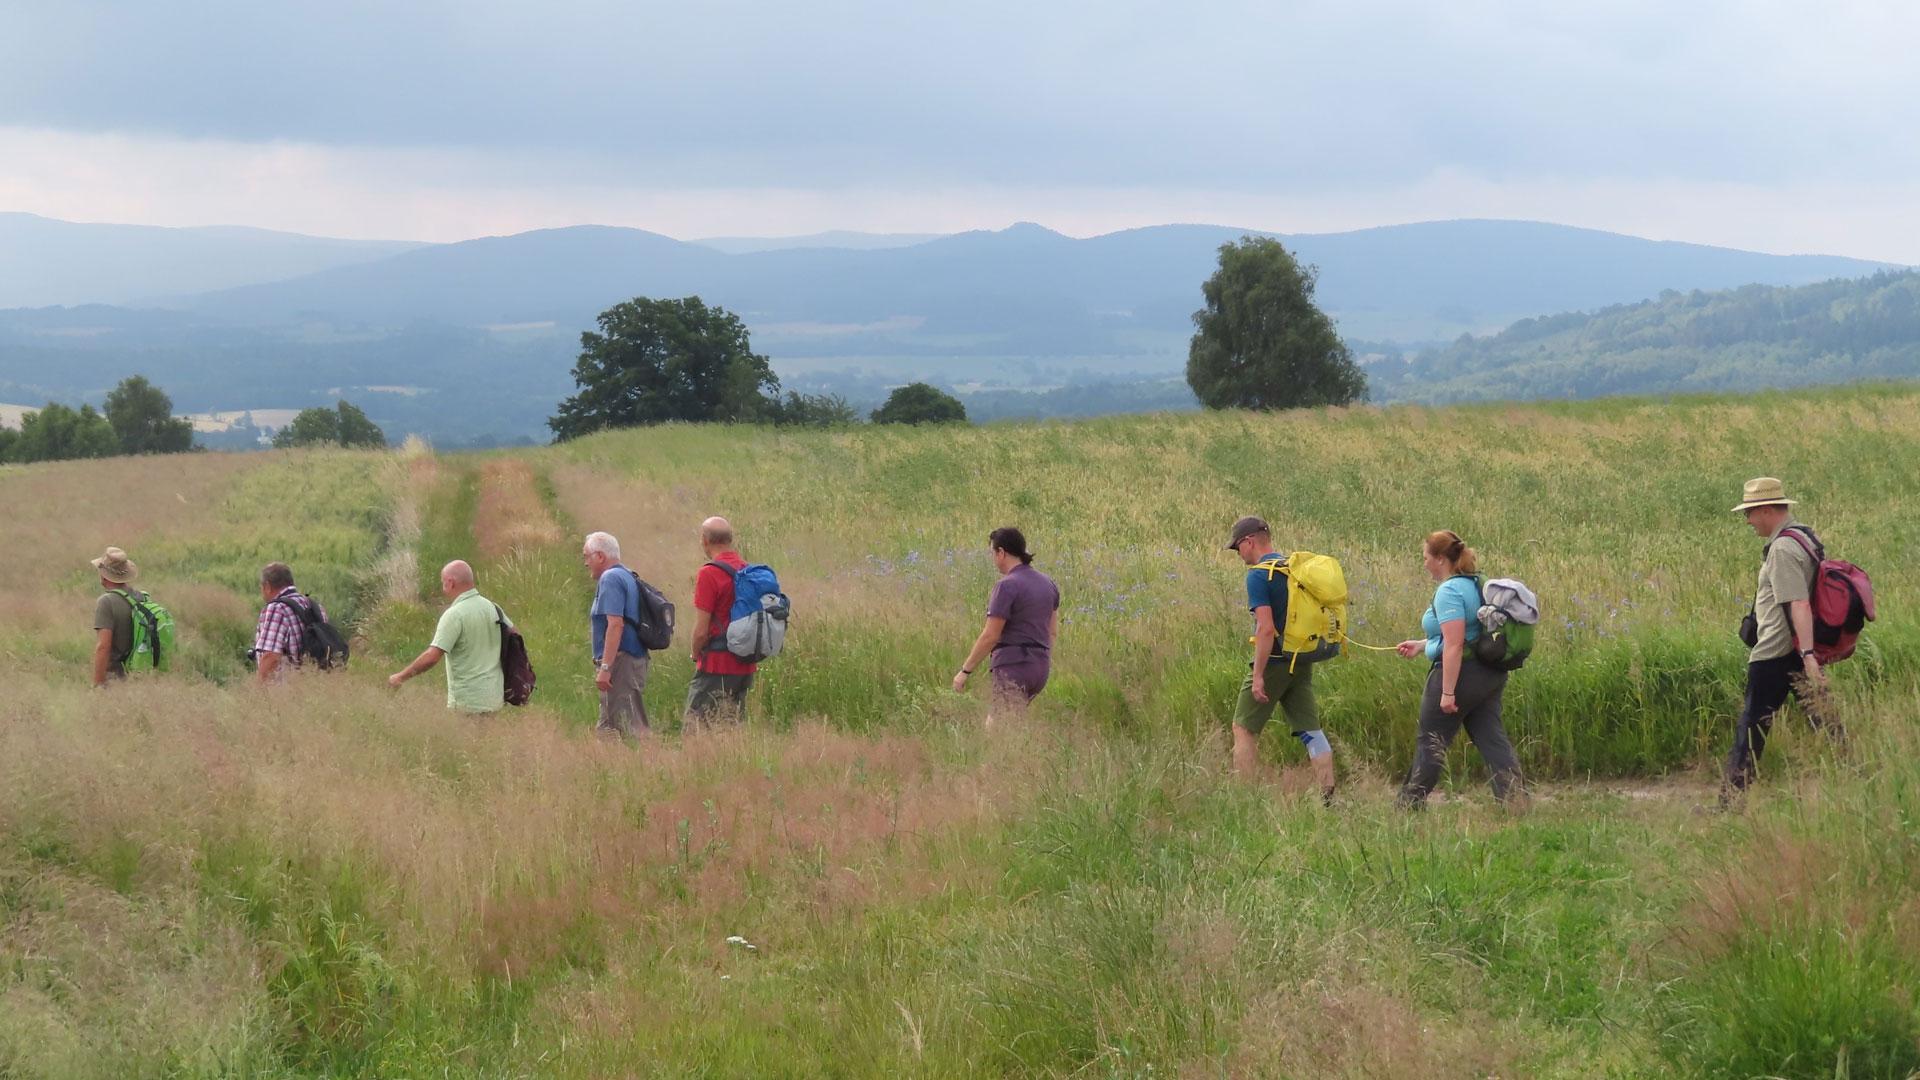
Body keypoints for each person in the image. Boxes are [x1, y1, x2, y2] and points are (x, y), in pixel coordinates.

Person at [1723, 476, 1842, 803]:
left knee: (1751, 728)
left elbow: (1798, 602)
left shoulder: (1784, 549)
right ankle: (1857, 782)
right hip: (1798, 648)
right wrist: (1808, 653)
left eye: (1749, 512)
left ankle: (1729, 807)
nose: (1747, 520)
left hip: (1778, 651)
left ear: (1765, 509)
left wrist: (1806, 654)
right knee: (1827, 722)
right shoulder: (1805, 537)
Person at [1395, 530, 1524, 807]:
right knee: (1491, 738)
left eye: (1426, 557)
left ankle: (1408, 806)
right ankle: (1515, 800)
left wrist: (1448, 692)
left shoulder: (1449, 591)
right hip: (1489, 674)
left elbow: (1454, 645)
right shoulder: (1478, 583)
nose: (1424, 563)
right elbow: (1469, 632)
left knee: (1431, 740)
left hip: (1461, 674)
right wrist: (1421, 645)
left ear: (1441, 559)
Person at [1224, 516, 1337, 802]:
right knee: (1310, 729)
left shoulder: (1259, 575)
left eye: (1238, 549)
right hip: (1300, 659)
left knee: (1244, 727)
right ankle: (1327, 793)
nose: (1239, 556)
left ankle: (1244, 798)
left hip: (1275, 661)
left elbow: (1265, 628)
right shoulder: (1293, 569)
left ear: (1248, 542)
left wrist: (1259, 675)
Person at [953, 526, 1060, 719]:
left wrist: (965, 671)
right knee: (1014, 723)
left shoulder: (1007, 586)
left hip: (1013, 666)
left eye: (993, 553)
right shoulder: (1048, 584)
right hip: (1040, 669)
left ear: (1001, 552)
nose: (993, 560)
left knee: (998, 730)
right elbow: (1051, 633)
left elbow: (990, 636)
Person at [388, 560, 508, 713]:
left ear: (451, 583)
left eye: (443, 582)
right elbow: (514, 637)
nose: (442, 587)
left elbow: (432, 657)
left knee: (466, 738)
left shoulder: (454, 615)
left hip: (468, 702)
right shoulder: (493, 608)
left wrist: (400, 677)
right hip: (493, 698)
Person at [686, 516, 757, 727]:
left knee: (697, 727)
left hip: (716, 664)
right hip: (745, 663)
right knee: (731, 726)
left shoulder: (709, 573)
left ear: (705, 540)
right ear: (730, 539)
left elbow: (701, 631)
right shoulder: (747, 570)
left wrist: (695, 652)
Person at [582, 531, 649, 740]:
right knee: (608, 727)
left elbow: (615, 625)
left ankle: (653, 764)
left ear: (600, 556)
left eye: (587, 556)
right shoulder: (627, 575)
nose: (585, 563)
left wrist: (605, 668)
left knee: (630, 727)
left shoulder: (610, 578)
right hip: (631, 659)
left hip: (621, 662)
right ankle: (607, 767)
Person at [252, 562, 327, 683]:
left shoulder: (276, 609)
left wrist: (257, 692)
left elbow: (271, 656)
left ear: (267, 586)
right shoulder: (315, 606)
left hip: (287, 690)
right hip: (316, 686)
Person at [89, 546, 140, 686]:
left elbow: (103, 646)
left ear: (103, 574)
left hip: (117, 680)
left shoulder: (106, 602)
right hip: (141, 674)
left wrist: (98, 685)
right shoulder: (140, 597)